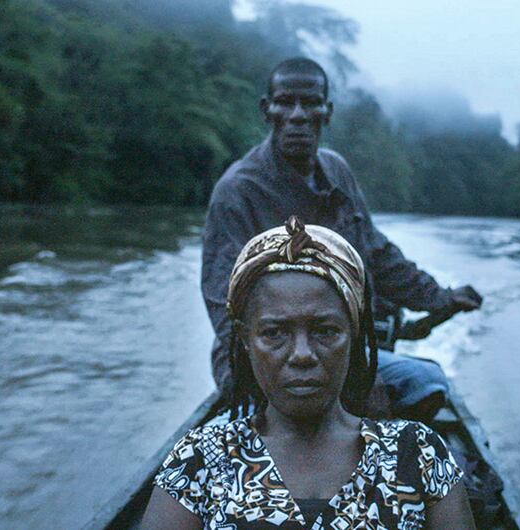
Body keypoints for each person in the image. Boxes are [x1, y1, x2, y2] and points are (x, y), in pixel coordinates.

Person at [143, 218, 476, 529]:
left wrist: (439, 298)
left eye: (326, 331)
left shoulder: (418, 454)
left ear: (355, 334)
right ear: (245, 340)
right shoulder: (200, 459)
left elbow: (385, 257)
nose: (302, 354)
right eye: (274, 333)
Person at [202, 57, 483, 420]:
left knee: (428, 384)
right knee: (276, 427)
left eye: (311, 103)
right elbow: (222, 300)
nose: (299, 116)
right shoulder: (238, 191)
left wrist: (439, 296)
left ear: (327, 111)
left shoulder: (336, 171)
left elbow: (377, 254)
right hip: (263, 360)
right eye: (285, 102)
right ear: (266, 110)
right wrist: (343, 381)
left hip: (336, 349)